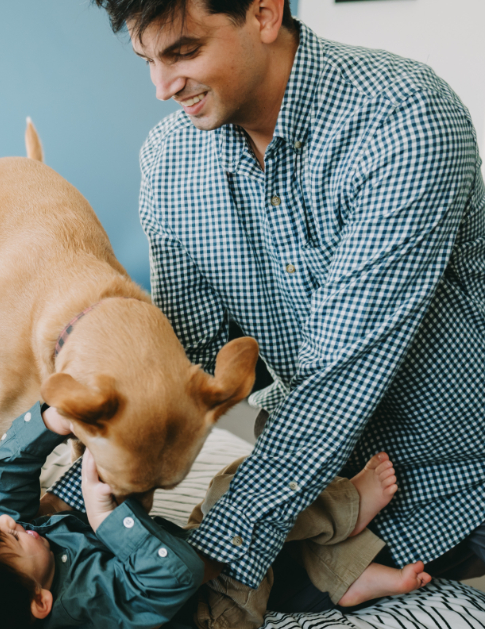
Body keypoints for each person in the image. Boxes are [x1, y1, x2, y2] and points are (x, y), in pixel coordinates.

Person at [58, 0, 485, 594]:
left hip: (456, 488)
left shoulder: (404, 119)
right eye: (147, 60)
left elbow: (338, 379)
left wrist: (211, 559)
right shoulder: (168, 162)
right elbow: (190, 362)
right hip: (318, 492)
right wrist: (77, 495)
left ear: (263, 12)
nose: (161, 86)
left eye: (184, 52)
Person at [0, 403, 431, 629]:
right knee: (233, 496)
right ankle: (346, 508)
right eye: (8, 539)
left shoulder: (6, 541)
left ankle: (347, 581)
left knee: (280, 561)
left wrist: (50, 420)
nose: (9, 523)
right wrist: (107, 519)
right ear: (40, 602)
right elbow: (178, 573)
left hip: (184, 556)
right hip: (214, 604)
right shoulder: (90, 602)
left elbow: (3, 475)